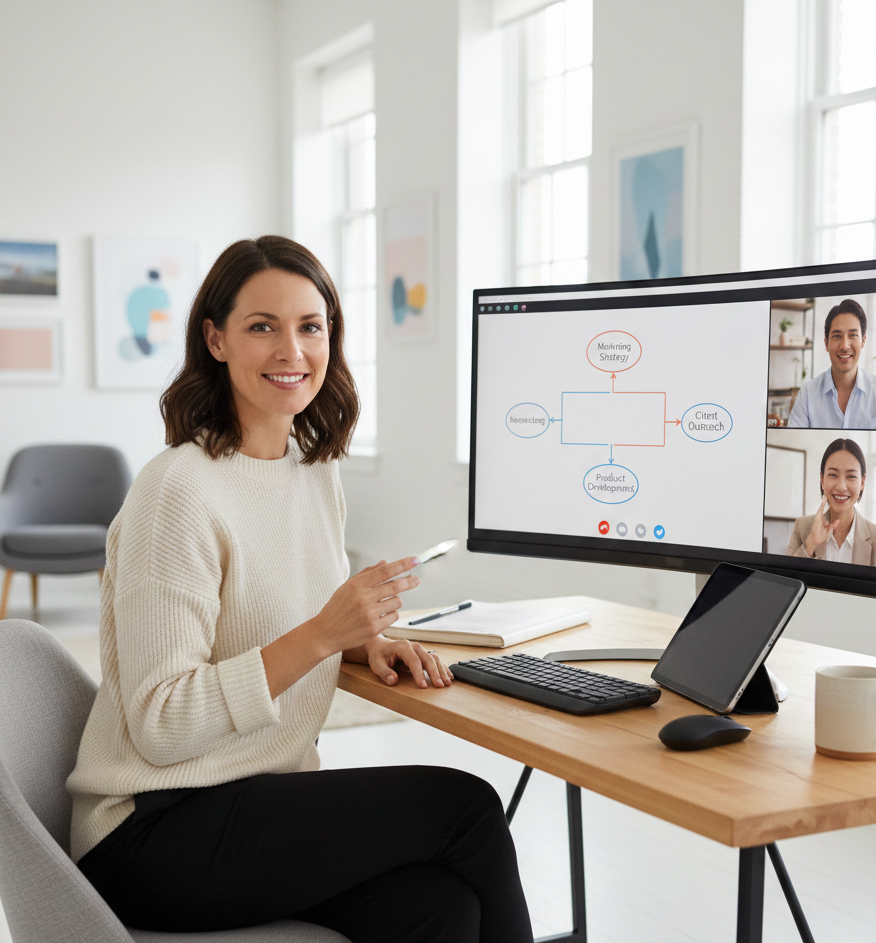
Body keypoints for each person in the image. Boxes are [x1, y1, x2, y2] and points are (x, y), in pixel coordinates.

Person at [66, 235, 534, 943]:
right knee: (462, 804)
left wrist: (359, 643)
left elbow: (266, 627)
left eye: (310, 326)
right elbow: (161, 723)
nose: (292, 350)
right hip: (150, 830)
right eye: (263, 327)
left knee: (441, 907)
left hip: (255, 798)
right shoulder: (177, 490)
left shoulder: (311, 470)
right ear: (215, 339)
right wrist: (322, 633)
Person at [787, 298, 876, 429]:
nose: (845, 346)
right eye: (837, 336)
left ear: (863, 340)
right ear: (826, 343)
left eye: (853, 335)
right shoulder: (807, 393)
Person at [785, 437, 876, 567]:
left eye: (851, 476)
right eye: (833, 475)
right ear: (822, 480)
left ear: (862, 482)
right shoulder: (801, 527)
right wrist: (810, 544)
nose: (841, 486)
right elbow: (787, 582)